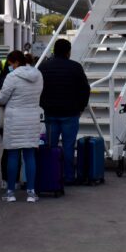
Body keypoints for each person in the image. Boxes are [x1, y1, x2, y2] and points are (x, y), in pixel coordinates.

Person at [38, 38, 91, 185]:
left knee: (51, 146)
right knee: (68, 146)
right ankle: (68, 177)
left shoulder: (44, 67)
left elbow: (38, 89)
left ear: (54, 50)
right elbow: (85, 89)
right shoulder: (75, 67)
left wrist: (43, 104)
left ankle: (52, 175)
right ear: (68, 52)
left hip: (50, 112)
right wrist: (81, 107)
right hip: (70, 113)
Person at [0, 50, 44, 203]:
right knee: (30, 156)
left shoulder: (12, 77)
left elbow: (2, 99)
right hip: (31, 119)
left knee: (13, 155)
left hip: (15, 120)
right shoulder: (38, 75)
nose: (10, 67)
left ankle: (10, 192)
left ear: (15, 62)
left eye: (10, 64)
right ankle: (31, 192)